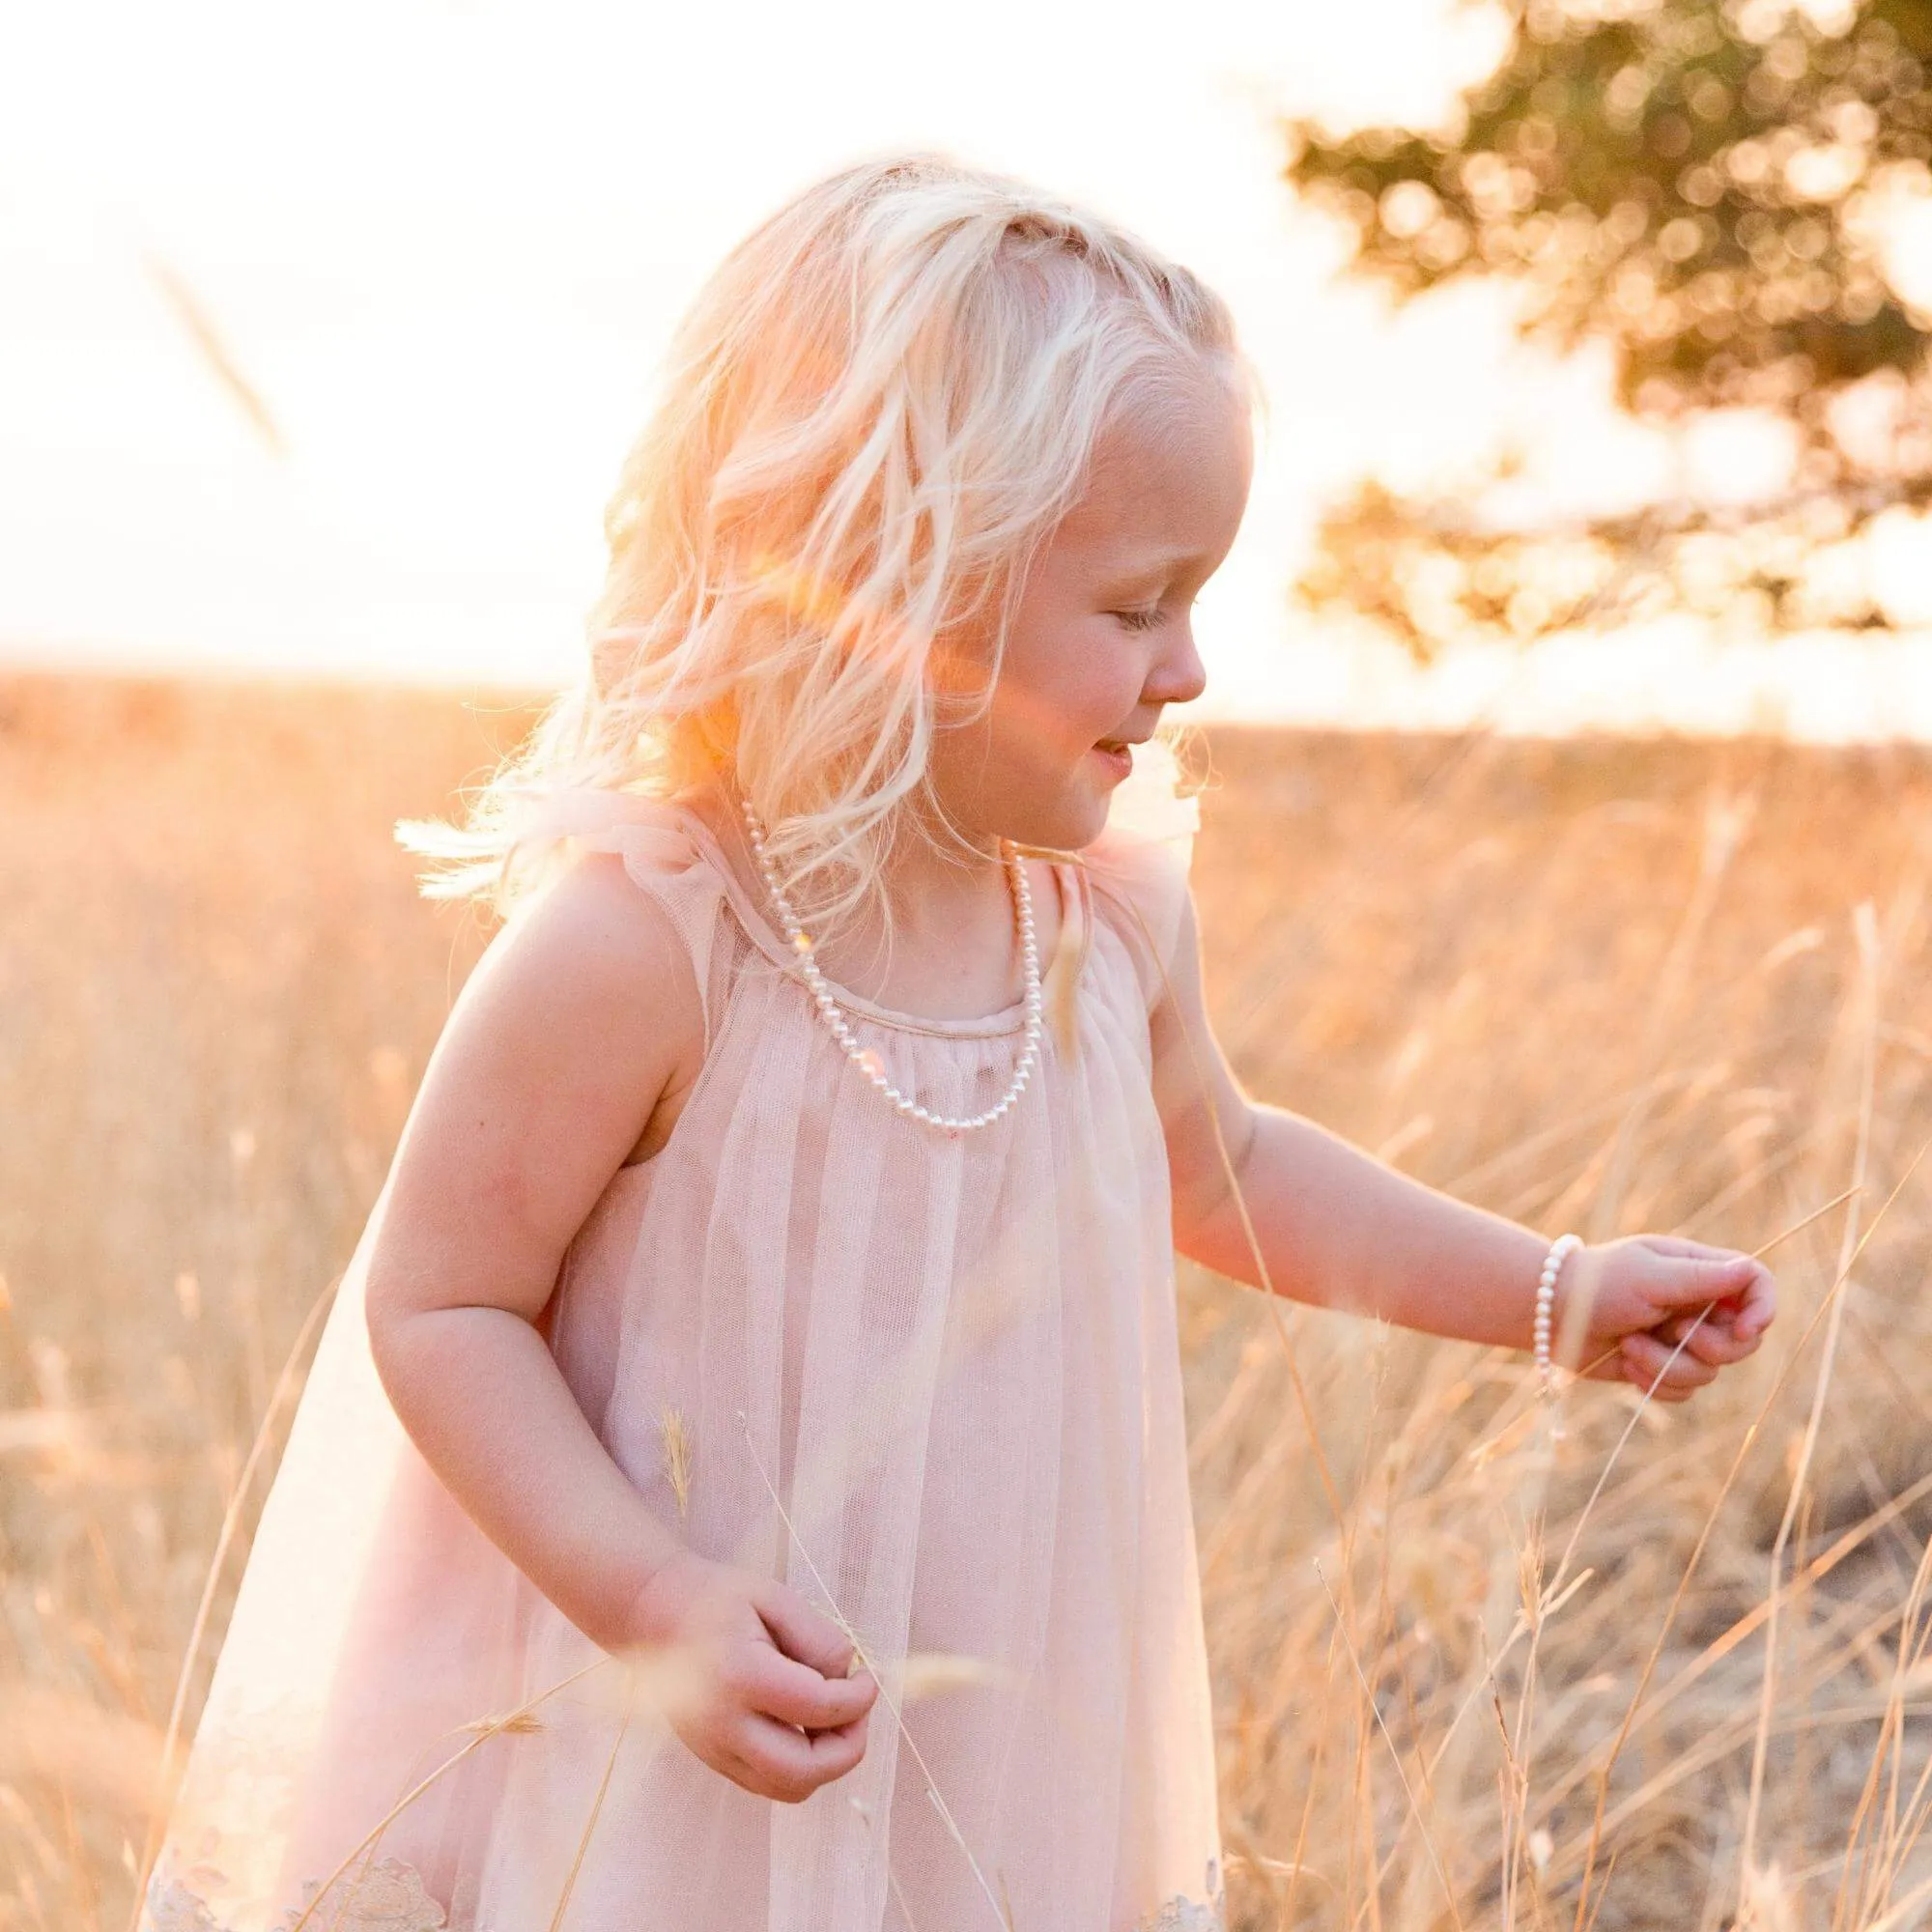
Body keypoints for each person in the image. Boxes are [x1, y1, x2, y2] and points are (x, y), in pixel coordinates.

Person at [140, 153, 1776, 1932]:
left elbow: (1228, 1167)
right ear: (901, 586)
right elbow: (439, 1304)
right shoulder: (652, 942)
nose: (1192, 670)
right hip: (654, 1722)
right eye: (1140, 604)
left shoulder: (1106, 921)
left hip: (994, 1733)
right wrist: (650, 1601)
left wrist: (1554, 1290)